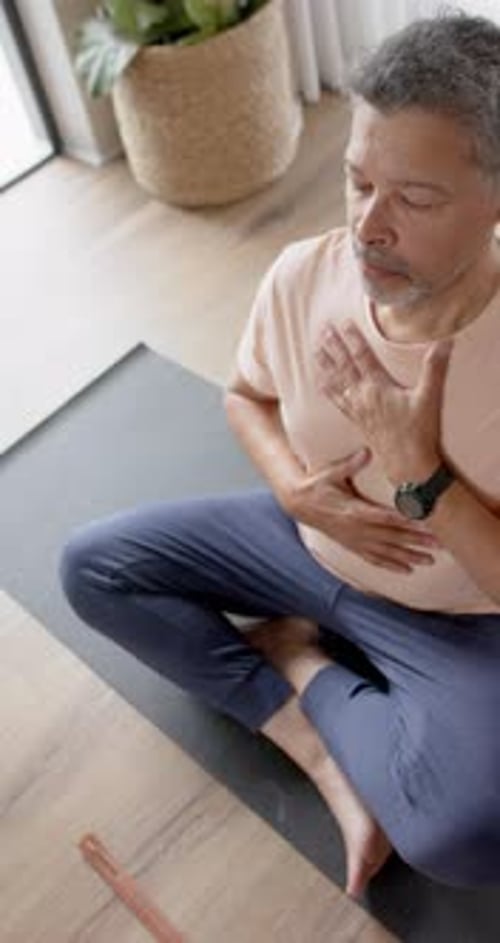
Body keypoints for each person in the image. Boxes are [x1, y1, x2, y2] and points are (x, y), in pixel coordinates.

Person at [60, 12, 500, 898]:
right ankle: (313, 740)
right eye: (356, 180)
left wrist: (424, 478)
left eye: (413, 199)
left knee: (463, 837)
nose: (370, 225)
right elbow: (246, 393)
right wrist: (296, 492)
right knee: (92, 567)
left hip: (455, 617)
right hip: (305, 543)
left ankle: (298, 654)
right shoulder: (307, 273)